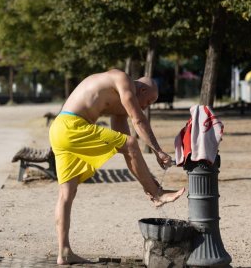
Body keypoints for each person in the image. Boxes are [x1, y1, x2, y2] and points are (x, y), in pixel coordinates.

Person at [49, 69, 185, 265]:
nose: (146, 106)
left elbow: (124, 145)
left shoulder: (117, 101)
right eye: (149, 101)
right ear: (141, 89)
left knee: (66, 194)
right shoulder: (122, 79)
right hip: (71, 126)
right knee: (131, 144)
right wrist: (158, 151)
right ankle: (157, 194)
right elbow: (138, 121)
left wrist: (145, 178)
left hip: (59, 130)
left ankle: (64, 252)